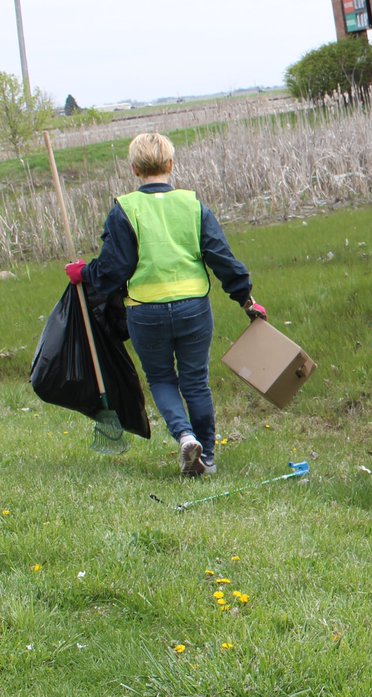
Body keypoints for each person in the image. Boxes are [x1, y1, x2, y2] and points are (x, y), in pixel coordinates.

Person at [65, 132, 266, 477]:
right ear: (171, 164)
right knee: (196, 382)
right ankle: (208, 457)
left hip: (145, 312)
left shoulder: (125, 210)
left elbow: (114, 268)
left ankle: (185, 437)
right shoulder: (192, 205)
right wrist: (245, 299)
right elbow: (221, 257)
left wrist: (84, 272)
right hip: (193, 309)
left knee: (161, 380)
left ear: (134, 169)